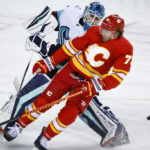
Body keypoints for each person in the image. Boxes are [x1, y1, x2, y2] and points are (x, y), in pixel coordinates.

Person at [3, 14, 133, 150]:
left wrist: (98, 85)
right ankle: (19, 126)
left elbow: (118, 76)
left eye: (106, 31)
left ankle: (45, 138)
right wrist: (51, 61)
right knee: (44, 100)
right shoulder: (94, 31)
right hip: (70, 72)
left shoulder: (125, 48)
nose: (102, 32)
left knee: (69, 115)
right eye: (102, 28)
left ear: (116, 34)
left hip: (87, 84)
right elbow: (71, 47)